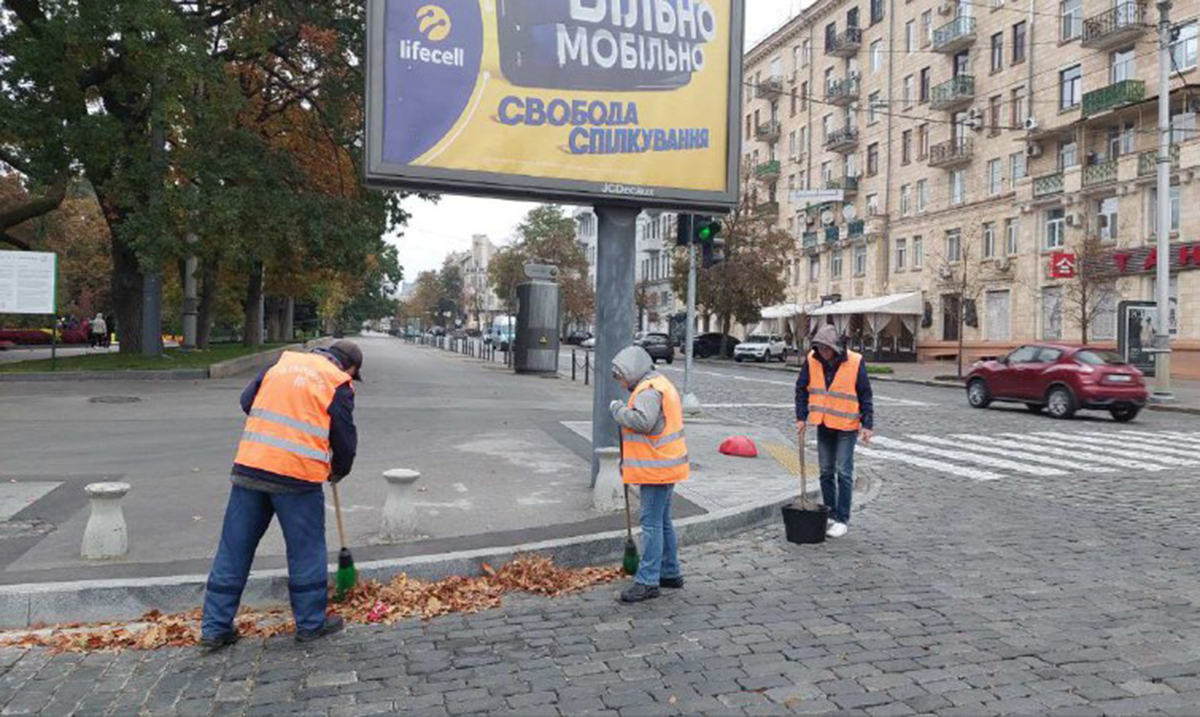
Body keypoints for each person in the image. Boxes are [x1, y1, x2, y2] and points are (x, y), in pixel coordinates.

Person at [200, 340, 363, 650]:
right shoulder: (337, 382)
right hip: (297, 477)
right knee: (306, 550)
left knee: (234, 548)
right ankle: (310, 625)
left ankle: (214, 628)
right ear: (349, 367)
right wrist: (340, 468)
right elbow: (344, 439)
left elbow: (248, 401)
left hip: (251, 467)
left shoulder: (281, 364)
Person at [609, 345, 689, 603]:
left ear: (632, 371)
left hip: (656, 468)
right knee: (663, 521)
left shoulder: (648, 391)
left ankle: (648, 581)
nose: (621, 384)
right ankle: (669, 571)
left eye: (621, 377)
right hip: (666, 465)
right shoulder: (659, 383)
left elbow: (643, 422)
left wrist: (618, 412)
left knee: (652, 524)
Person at [794, 325, 874, 539]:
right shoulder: (812, 359)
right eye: (819, 348)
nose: (823, 353)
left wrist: (867, 425)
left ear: (835, 347)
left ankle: (842, 519)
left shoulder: (855, 362)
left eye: (826, 349)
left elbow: (865, 393)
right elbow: (801, 388)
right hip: (824, 423)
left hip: (847, 425)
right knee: (826, 471)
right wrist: (801, 417)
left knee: (843, 472)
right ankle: (829, 512)